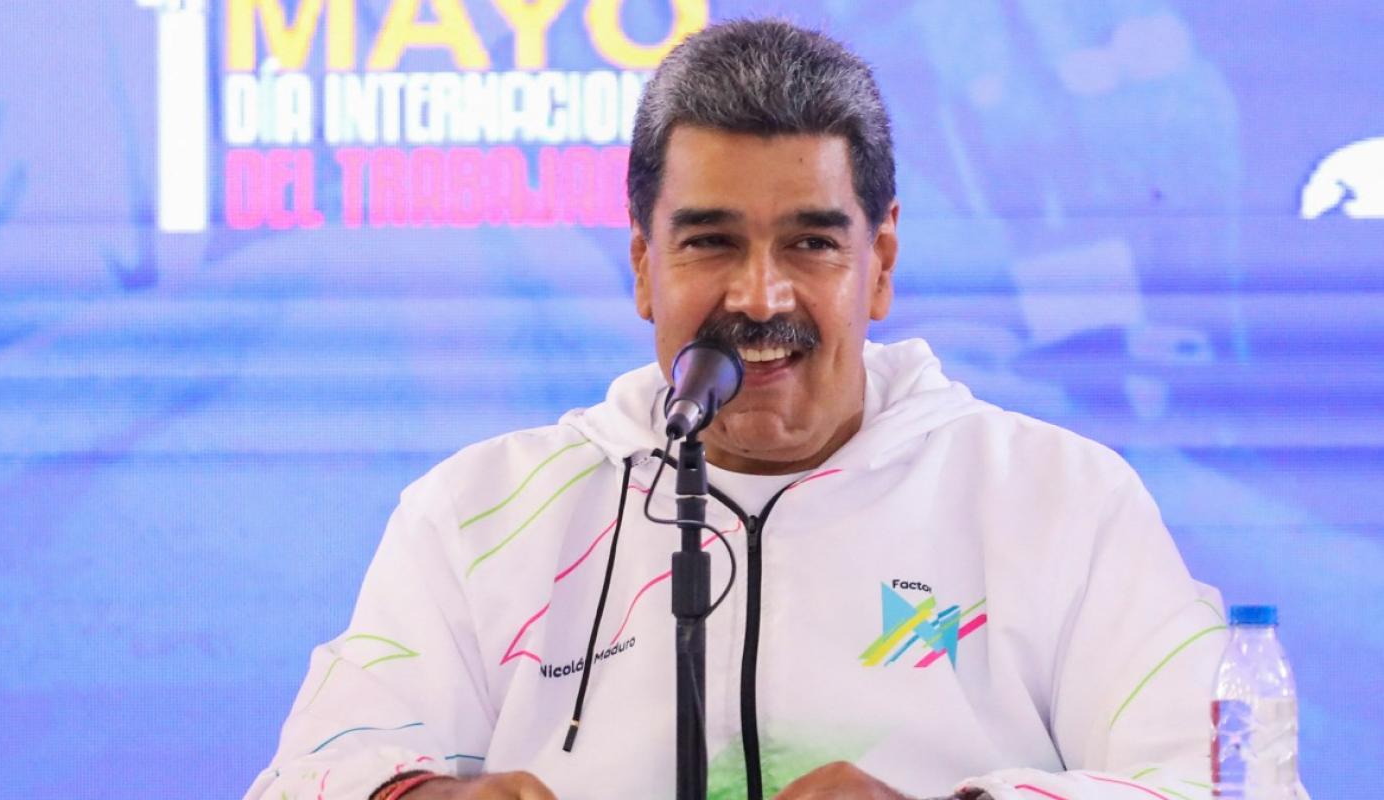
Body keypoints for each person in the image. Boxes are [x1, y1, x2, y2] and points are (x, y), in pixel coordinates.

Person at [246, 19, 1228, 800]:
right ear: (643, 266)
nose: (760, 297)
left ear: (881, 264)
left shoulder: (1061, 502)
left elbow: (1224, 782)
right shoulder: (475, 515)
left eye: (812, 244)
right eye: (710, 242)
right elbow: (307, 775)